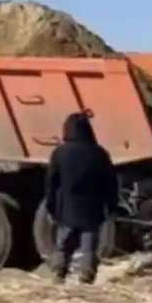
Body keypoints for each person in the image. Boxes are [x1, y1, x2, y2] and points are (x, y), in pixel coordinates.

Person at [44, 112, 118, 284]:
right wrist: (112, 207)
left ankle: (58, 275)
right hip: (92, 210)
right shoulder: (100, 153)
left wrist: (51, 207)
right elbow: (110, 183)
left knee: (63, 245)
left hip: (67, 209)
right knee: (89, 248)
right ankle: (86, 278)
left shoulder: (60, 153)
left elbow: (51, 184)